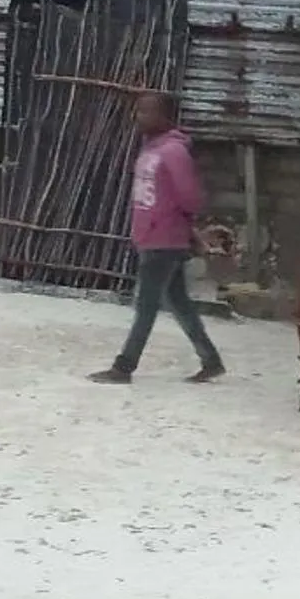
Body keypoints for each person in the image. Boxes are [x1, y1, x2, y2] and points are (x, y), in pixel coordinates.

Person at [89, 91, 223, 384]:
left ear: (165, 117)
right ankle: (211, 360)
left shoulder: (173, 152)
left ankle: (124, 367)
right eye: (138, 111)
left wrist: (181, 228)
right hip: (152, 236)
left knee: (146, 305)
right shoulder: (152, 149)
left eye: (147, 111)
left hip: (165, 239)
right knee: (179, 301)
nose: (139, 117)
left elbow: (190, 198)